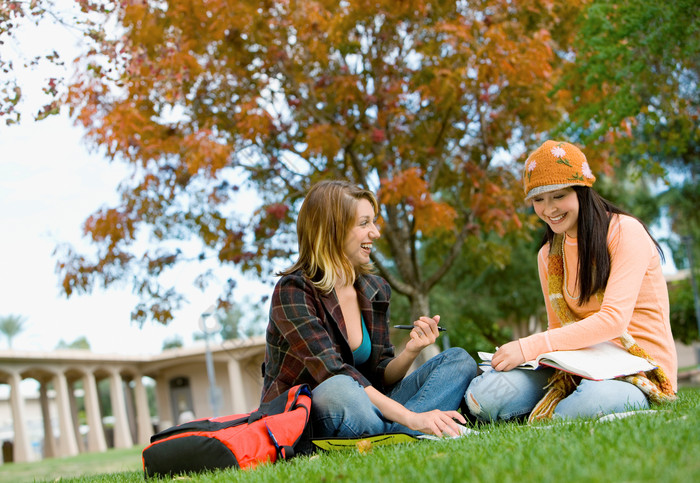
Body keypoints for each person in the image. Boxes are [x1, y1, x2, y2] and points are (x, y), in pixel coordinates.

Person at [465, 140, 677, 422]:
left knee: (586, 404)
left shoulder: (625, 232)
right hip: (578, 363)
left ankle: (559, 407)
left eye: (559, 196)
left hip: (637, 364)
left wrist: (527, 347)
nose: (548, 209)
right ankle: (553, 401)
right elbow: (557, 328)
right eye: (538, 200)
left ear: (582, 190)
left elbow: (613, 320)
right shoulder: (548, 254)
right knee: (487, 396)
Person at [261, 179, 477, 438]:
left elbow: (380, 375)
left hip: (369, 405)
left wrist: (410, 351)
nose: (375, 232)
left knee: (458, 360)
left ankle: (394, 434)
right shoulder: (293, 290)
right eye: (364, 223)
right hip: (314, 412)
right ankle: (407, 429)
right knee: (340, 387)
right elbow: (332, 371)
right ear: (332, 230)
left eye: (373, 222)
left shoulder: (375, 289)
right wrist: (412, 416)